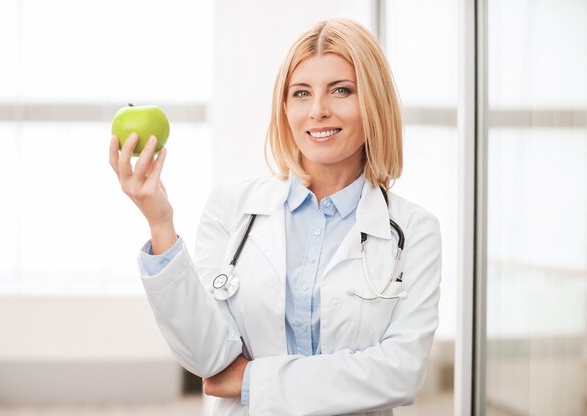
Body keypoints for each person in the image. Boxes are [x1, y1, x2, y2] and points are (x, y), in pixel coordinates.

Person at [109, 18, 441, 416]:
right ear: (284, 108)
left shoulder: (416, 231)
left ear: (374, 102)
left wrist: (250, 381)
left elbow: (400, 373)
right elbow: (207, 357)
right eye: (301, 93)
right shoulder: (232, 209)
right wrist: (160, 224)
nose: (318, 110)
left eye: (341, 90)